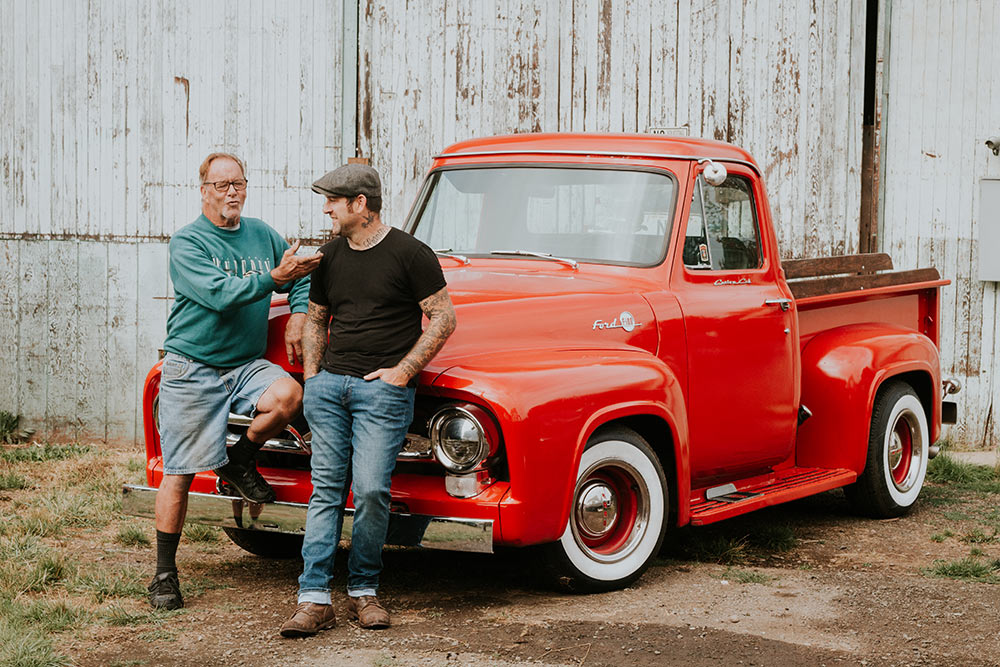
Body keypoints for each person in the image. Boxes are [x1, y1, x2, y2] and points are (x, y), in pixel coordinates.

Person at [279, 164, 456, 637]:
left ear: (360, 204)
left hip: (382, 394)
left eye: (333, 201)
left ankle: (364, 590)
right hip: (330, 389)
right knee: (326, 490)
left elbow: (443, 318)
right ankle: (313, 598)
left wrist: (401, 373)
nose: (326, 209)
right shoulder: (331, 255)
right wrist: (313, 378)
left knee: (373, 489)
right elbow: (316, 318)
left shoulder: (411, 254)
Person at [148, 152, 322, 611]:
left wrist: (298, 316)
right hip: (194, 365)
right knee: (180, 473)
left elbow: (298, 275)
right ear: (203, 190)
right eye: (221, 184)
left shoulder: (261, 233)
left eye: (238, 183)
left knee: (290, 395)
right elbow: (220, 295)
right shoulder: (187, 242)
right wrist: (273, 278)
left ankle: (239, 459)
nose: (231, 192)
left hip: (244, 365)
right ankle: (165, 574)